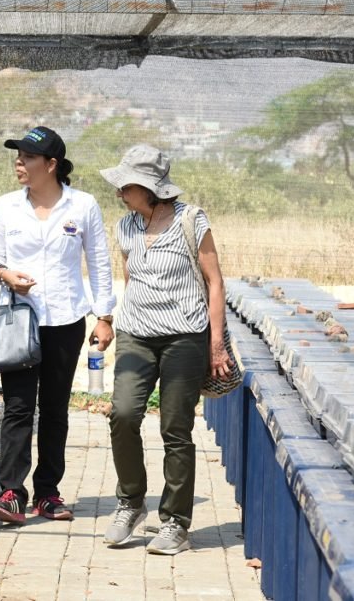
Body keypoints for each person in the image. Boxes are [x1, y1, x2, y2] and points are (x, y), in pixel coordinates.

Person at [0, 126, 116, 524]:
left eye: (27, 157)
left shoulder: (83, 205)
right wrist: (6, 274)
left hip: (66, 319)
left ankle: (48, 494)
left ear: (52, 165)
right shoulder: (7, 206)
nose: (19, 164)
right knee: (18, 407)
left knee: (55, 408)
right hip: (18, 321)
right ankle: (11, 493)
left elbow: (100, 262)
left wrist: (104, 317)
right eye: (17, 156)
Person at [99, 144, 231, 555]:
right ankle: (131, 502)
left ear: (150, 188)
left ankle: (176, 522)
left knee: (176, 429)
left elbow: (215, 282)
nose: (120, 192)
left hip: (184, 338)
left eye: (127, 185)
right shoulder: (125, 226)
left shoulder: (192, 220)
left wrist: (215, 345)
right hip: (136, 335)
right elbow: (131, 278)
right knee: (122, 414)